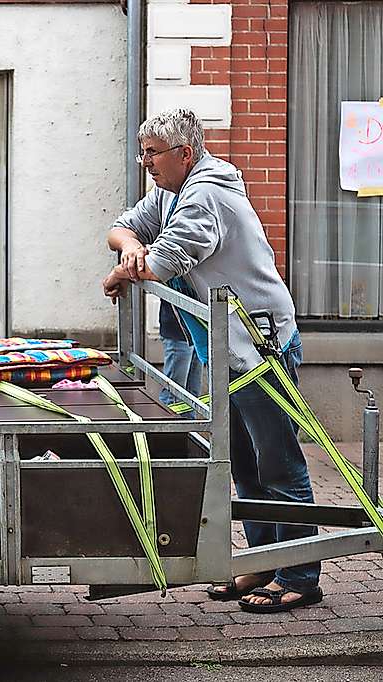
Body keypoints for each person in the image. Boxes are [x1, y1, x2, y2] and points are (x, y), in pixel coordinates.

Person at [102, 108, 321, 613]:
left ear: (184, 152)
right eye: (143, 152)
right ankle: (264, 563)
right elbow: (121, 227)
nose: (145, 163)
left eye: (152, 153)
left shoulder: (206, 194)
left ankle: (301, 575)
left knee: (279, 464)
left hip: (260, 346)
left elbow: (164, 263)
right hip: (228, 349)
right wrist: (130, 249)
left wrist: (124, 271)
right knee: (244, 463)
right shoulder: (170, 190)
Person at [158, 300, 201, 409]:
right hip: (178, 328)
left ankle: (190, 425)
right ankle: (166, 424)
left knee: (191, 396)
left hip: (197, 328)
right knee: (173, 395)